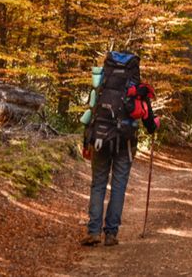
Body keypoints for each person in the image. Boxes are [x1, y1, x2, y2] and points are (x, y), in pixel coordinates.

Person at [79, 51, 159, 247]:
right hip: (125, 141)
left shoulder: (101, 84)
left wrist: (86, 140)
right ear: (134, 70)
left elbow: (91, 111)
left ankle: (93, 231)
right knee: (118, 186)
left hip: (100, 138)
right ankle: (111, 234)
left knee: (98, 184)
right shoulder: (137, 89)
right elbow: (149, 122)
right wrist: (155, 124)